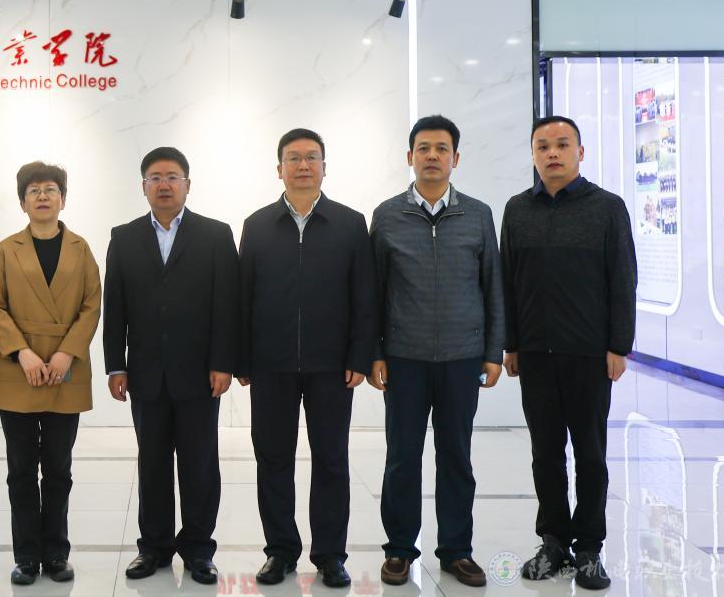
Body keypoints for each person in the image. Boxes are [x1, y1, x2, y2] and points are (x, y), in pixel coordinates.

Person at [236, 128, 379, 588]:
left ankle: (330, 555)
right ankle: (280, 552)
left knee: (332, 460)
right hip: (271, 364)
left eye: (311, 157)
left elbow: (365, 296)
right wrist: (243, 360)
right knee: (273, 459)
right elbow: (243, 297)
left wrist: (360, 354)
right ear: (278, 168)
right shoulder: (257, 225)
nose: (302, 165)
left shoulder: (350, 224)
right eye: (293, 158)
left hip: (331, 366)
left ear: (324, 167)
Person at [501, 115, 637, 591]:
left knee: (591, 455)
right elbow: (508, 281)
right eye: (543, 146)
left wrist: (619, 345)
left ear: (581, 152)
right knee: (545, 454)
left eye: (562, 144)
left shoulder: (607, 208)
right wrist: (511, 343)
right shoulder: (518, 209)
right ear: (533, 155)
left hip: (589, 355)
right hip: (535, 354)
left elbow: (623, 279)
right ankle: (554, 541)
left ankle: (590, 548)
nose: (552, 153)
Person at [367, 115, 504, 588]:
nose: (432, 156)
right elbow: (374, 292)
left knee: (456, 457)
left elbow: (493, 286)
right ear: (409, 157)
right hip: (404, 357)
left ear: (455, 158)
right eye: (423, 148)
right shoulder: (387, 215)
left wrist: (492, 351)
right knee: (402, 457)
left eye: (441, 149)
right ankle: (399, 550)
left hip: (463, 357)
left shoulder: (478, 214)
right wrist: (375, 352)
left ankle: (456, 551)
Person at [103, 147, 239, 586]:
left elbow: (226, 306)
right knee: (152, 465)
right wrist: (115, 365)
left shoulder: (216, 235)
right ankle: (154, 548)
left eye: (172, 177)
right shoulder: (123, 237)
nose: (164, 185)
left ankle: (199, 550)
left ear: (187, 184)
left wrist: (223, 362)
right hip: (145, 373)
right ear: (143, 186)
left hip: (200, 374)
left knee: (200, 466)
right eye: (155, 178)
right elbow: (114, 306)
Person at [0, 161, 101, 587]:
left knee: (58, 469)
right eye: (33, 190)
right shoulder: (6, 249)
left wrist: (67, 353)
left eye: (51, 189)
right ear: (22, 203)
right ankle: (26, 556)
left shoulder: (81, 249)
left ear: (63, 199)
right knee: (20, 469)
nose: (43, 196)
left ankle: (56, 552)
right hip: (19, 369)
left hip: (65, 371)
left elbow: (92, 304)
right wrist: (22, 353)